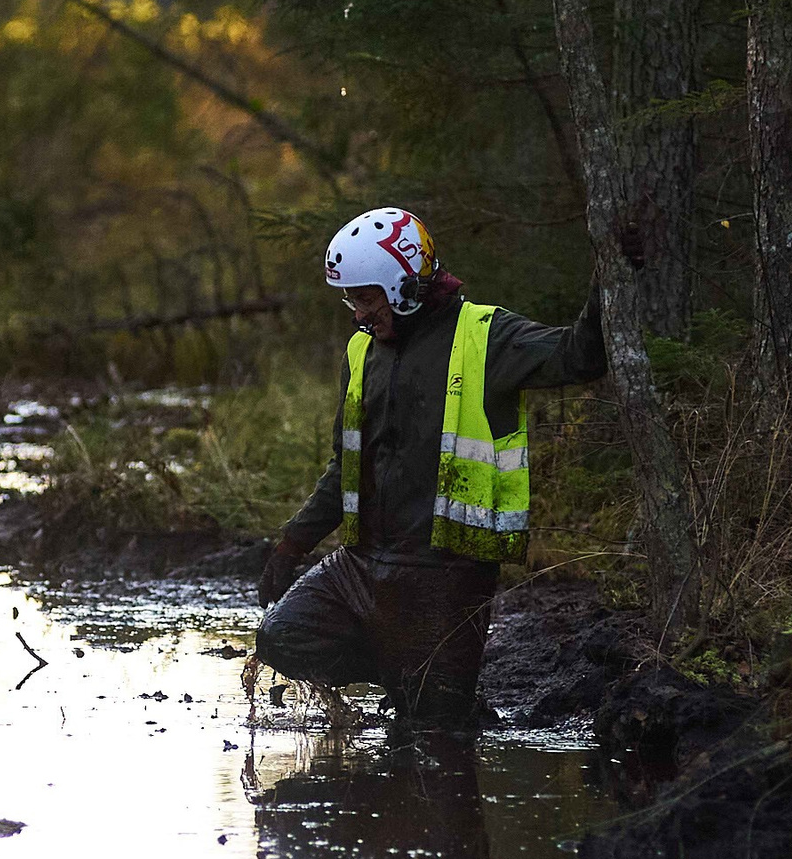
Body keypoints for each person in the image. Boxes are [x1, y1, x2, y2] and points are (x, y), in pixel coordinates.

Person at [254, 207, 605, 730]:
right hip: (360, 566)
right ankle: (401, 674)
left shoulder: (487, 336)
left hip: (445, 578)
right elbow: (346, 464)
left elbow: (581, 356)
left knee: (436, 730)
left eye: (365, 298)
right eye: (350, 300)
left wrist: (611, 272)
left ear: (403, 286)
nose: (358, 315)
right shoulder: (362, 351)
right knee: (281, 637)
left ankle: (425, 686)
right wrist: (292, 543)